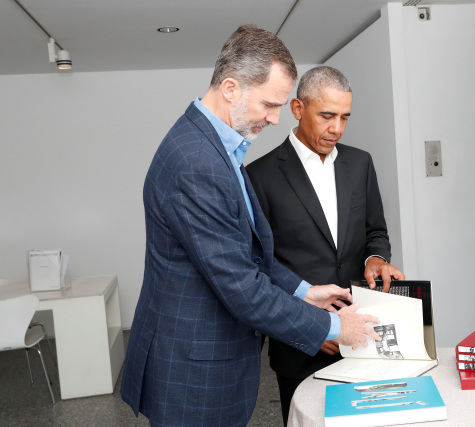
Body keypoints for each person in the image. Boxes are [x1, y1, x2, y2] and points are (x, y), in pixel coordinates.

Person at [120, 26, 381, 427]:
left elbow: (250, 252)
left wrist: (305, 291)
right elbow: (241, 287)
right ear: (230, 88)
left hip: (207, 359)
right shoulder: (197, 164)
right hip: (193, 370)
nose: (276, 119)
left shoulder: (216, 146)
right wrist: (334, 325)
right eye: (270, 104)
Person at [246, 66, 405, 424]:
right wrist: (310, 327)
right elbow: (258, 267)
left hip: (363, 333)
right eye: (327, 115)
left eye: (345, 117)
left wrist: (376, 258)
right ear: (298, 109)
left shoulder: (360, 163)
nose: (337, 128)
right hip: (300, 344)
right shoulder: (259, 176)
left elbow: (375, 231)